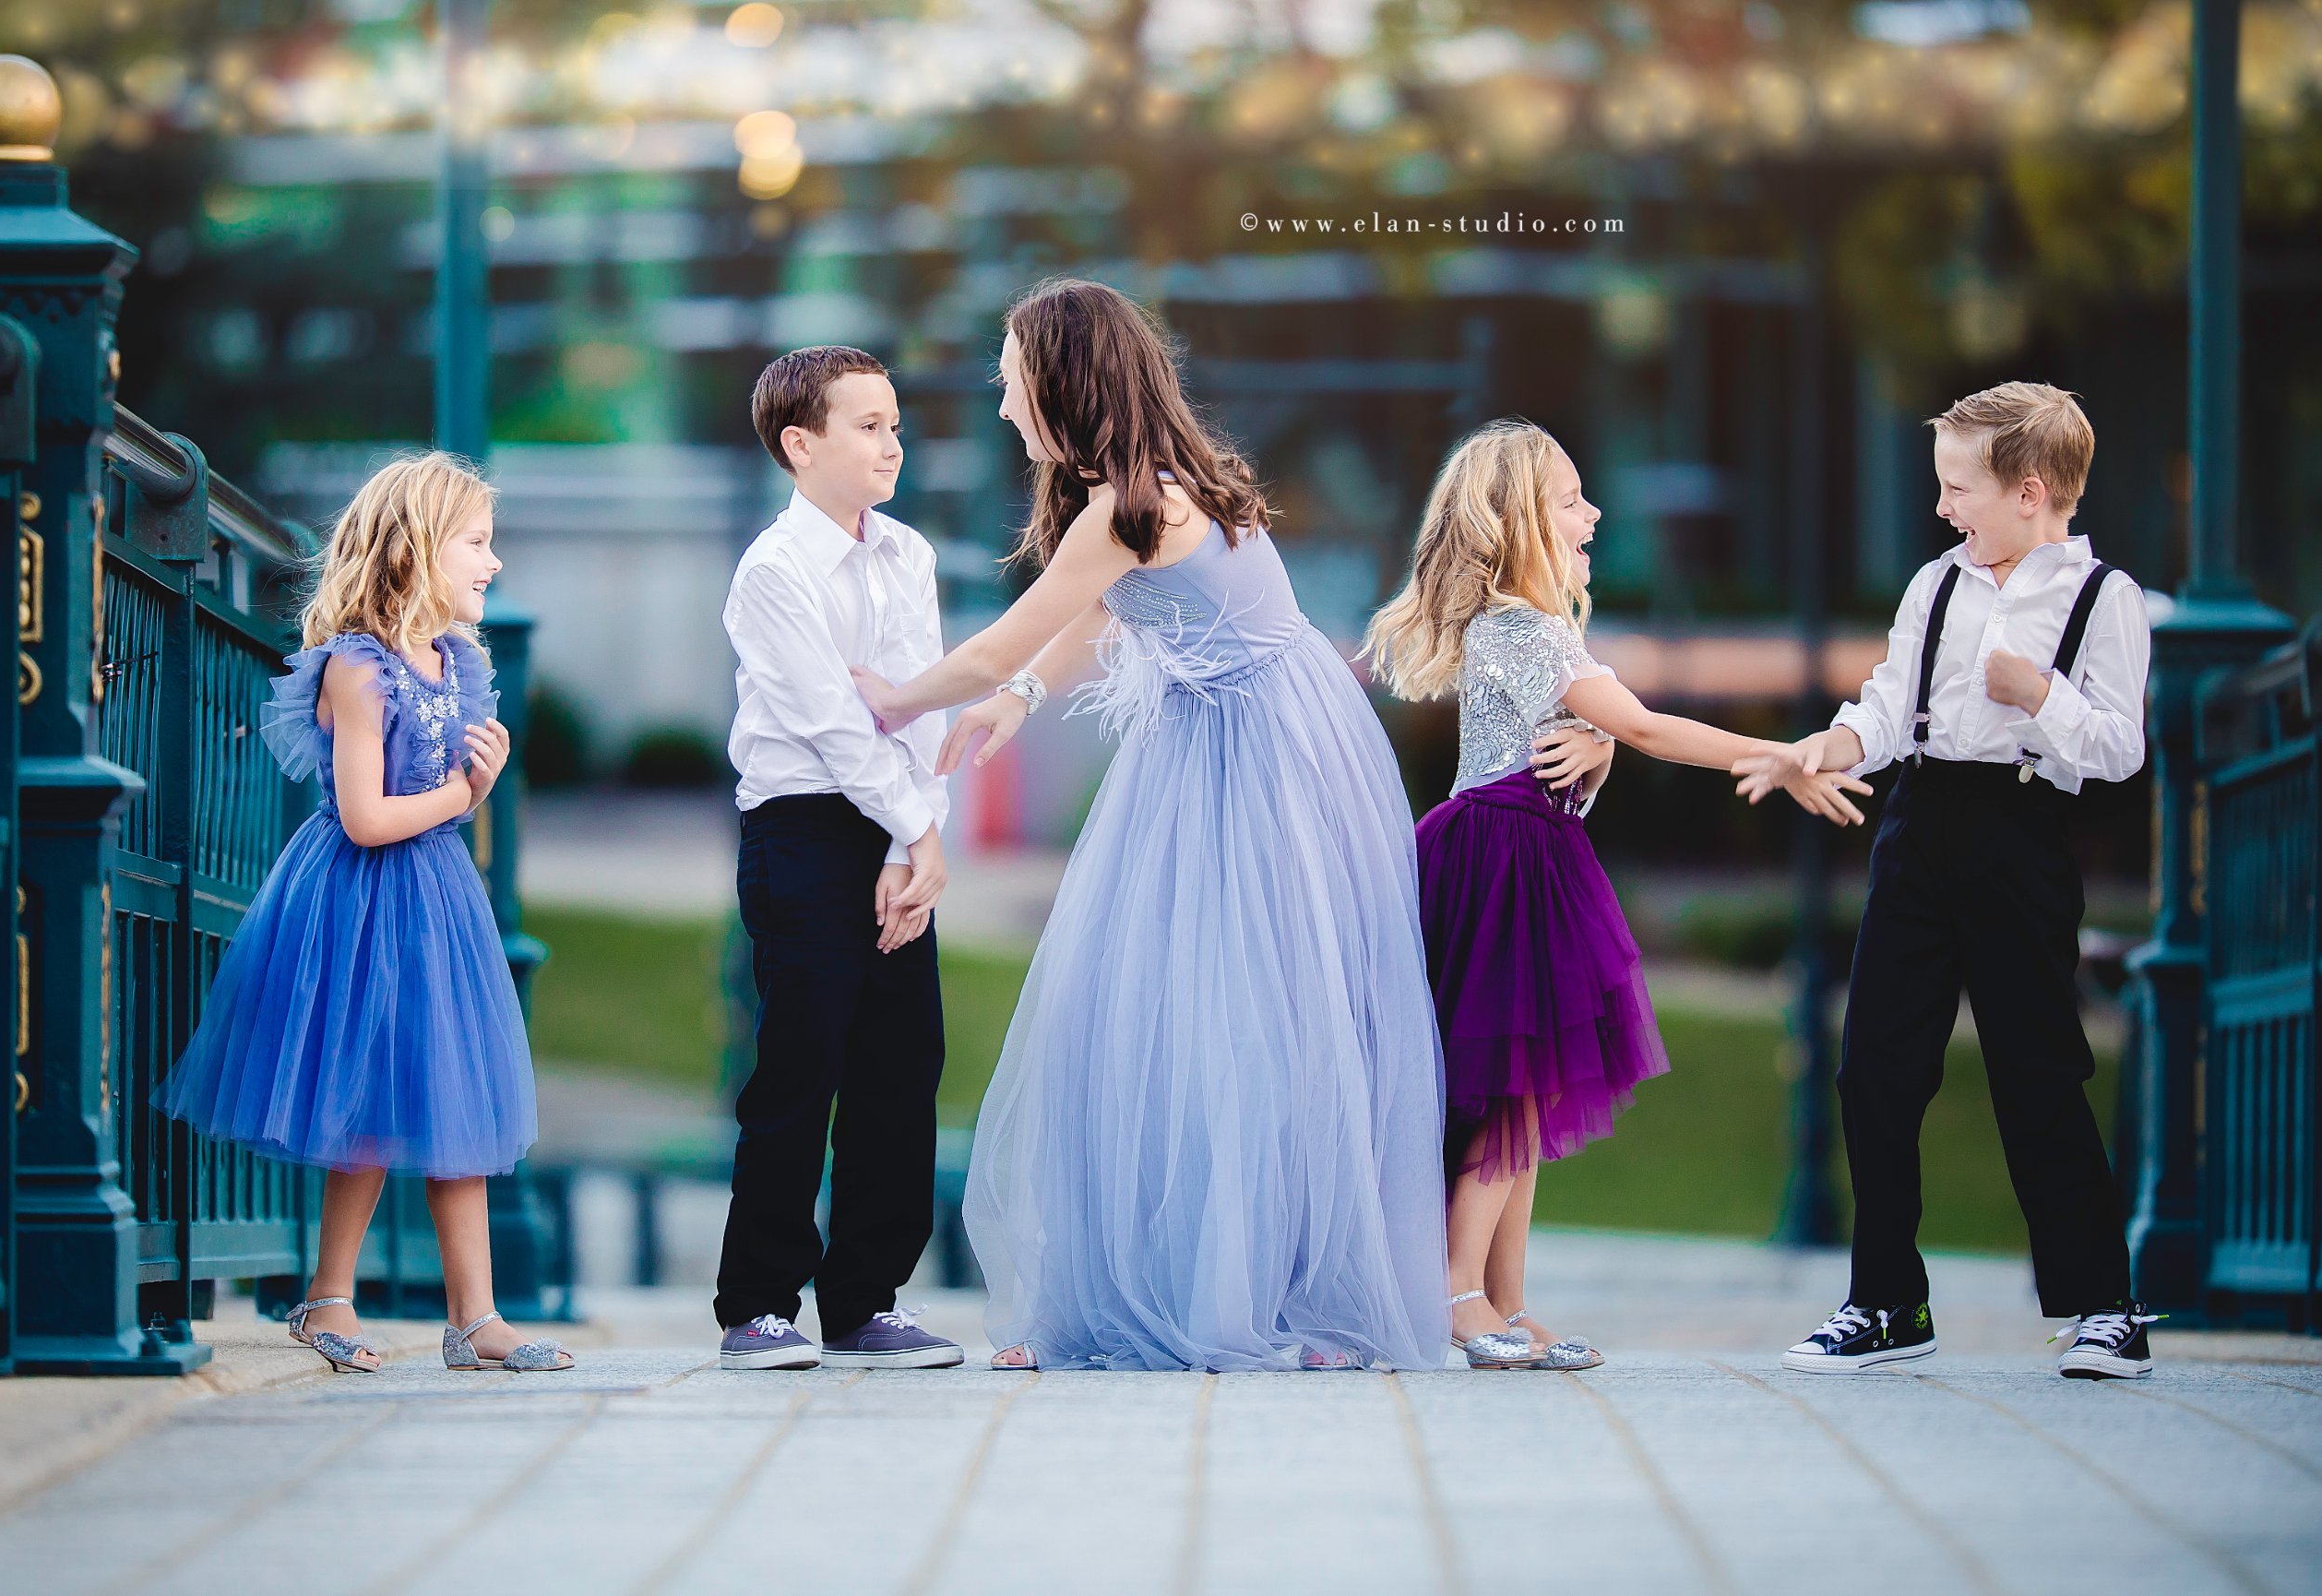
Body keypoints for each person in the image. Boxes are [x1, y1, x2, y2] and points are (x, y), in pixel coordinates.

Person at [854, 278, 1447, 1371]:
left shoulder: (1135, 507)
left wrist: (893, 697)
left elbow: (1005, 637)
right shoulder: (1154, 494)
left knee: (1236, 1023)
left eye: (1010, 380)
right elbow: (1092, 622)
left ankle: (1254, 1302)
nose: (999, 404)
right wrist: (1016, 701)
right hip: (1238, 740)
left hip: (1252, 760)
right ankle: (1217, 1287)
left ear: (1061, 382)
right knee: (1170, 1017)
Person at [1367, 418, 1871, 1369]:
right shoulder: (1525, 626)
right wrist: (1776, 754)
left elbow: (1591, 739)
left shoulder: (1530, 626)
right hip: (1506, 861)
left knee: (1526, 1089)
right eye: (1569, 498)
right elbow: (1644, 726)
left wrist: (1593, 755)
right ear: (1518, 519)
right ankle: (1455, 1288)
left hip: (1524, 851)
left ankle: (1503, 1297)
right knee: (1509, 1094)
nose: (1592, 511)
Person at [1743, 382, 2157, 1379]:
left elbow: (2121, 749)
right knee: (1874, 1067)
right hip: (1918, 829)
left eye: (1958, 487)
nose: (1942, 508)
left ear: (2032, 491)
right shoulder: (1937, 585)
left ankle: (2106, 1308)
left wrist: (2042, 692)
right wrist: (1833, 744)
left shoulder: (2106, 599)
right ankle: (1886, 1300)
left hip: (2022, 836)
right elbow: (1890, 700)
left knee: (2039, 1072)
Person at [154, 452, 572, 1375]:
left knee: (452, 1089)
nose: (491, 561)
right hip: (361, 898)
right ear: (416, 549)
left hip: (437, 900)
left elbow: (436, 801)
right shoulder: (359, 668)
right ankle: (327, 1293)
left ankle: (477, 1316)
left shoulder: (458, 660)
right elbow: (365, 816)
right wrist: (467, 792)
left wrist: (476, 786)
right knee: (368, 1098)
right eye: (475, 542)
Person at [713, 345, 964, 1371]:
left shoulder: (907, 554)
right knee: (800, 1063)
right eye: (867, 425)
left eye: (895, 423)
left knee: (901, 1067)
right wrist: (921, 832)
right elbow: (832, 721)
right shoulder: (772, 572)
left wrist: (917, 837)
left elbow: (918, 698)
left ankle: (867, 1299)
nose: (891, 443)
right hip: (805, 826)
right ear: (799, 442)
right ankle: (758, 1303)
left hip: (900, 828)